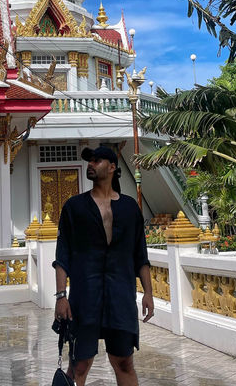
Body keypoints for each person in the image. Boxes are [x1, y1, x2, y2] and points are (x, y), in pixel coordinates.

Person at [53, 146, 154, 386]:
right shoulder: (74, 207)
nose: (90, 164)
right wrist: (60, 296)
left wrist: (148, 292)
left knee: (124, 363)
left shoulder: (130, 208)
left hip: (121, 297)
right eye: (89, 161)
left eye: (96, 160)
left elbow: (140, 254)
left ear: (112, 167)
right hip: (85, 298)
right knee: (79, 364)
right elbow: (62, 255)